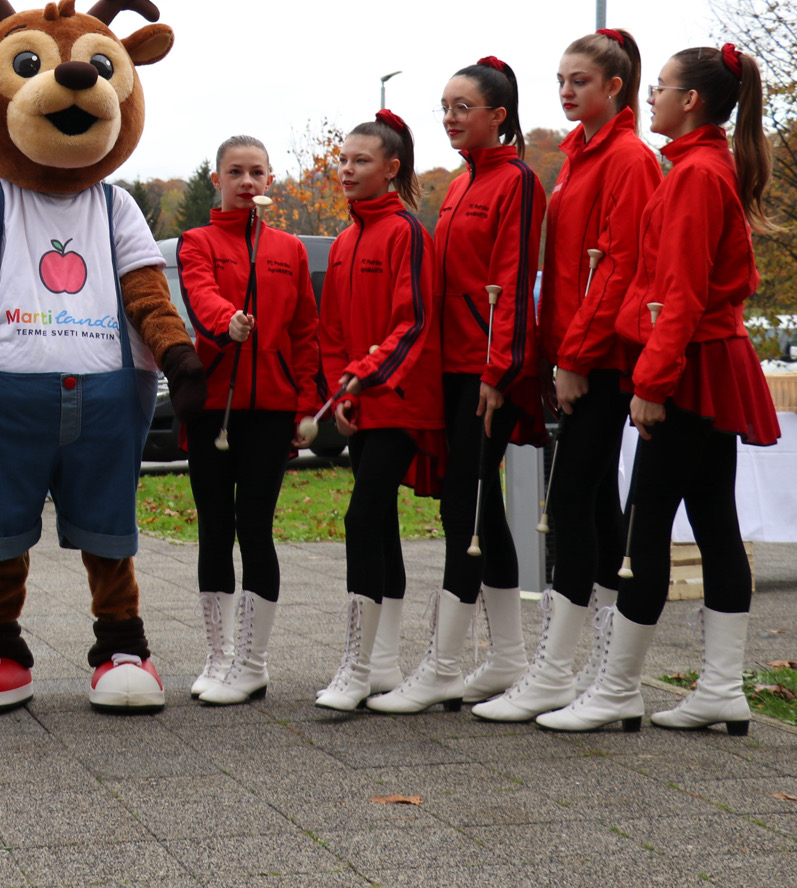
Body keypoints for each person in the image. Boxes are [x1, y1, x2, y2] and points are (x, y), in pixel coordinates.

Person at [539, 44, 781, 734]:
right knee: (713, 524)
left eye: (662, 89)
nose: (653, 98)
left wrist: (650, 381)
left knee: (646, 530)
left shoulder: (696, 175)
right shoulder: (700, 168)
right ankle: (720, 687)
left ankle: (619, 688)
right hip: (705, 361)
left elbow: (678, 292)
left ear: (692, 102)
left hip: (688, 367)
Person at [476, 31, 660, 723]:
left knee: (573, 502)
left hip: (601, 359)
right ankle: (613, 680)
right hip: (577, 354)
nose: (564, 90)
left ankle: (559, 672)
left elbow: (616, 264)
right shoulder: (580, 156)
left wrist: (576, 357)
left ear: (615, 86)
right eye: (560, 79)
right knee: (594, 510)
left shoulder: (629, 159)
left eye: (579, 80)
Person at [370, 59, 544, 714]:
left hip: (486, 371)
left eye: (463, 106)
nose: (449, 116)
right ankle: (506, 658)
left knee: (461, 511)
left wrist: (499, 372)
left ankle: (444, 665)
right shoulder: (461, 182)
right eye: (444, 105)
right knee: (482, 510)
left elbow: (512, 277)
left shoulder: (518, 182)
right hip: (451, 368)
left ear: (497, 116)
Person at [174, 136, 321, 705]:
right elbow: (199, 293)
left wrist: (305, 404)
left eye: (257, 172)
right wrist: (226, 322)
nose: (247, 182)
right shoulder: (198, 240)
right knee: (214, 527)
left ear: (270, 179)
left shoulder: (288, 249)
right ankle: (218, 656)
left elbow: (305, 333)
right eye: (235, 172)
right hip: (213, 404)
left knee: (255, 526)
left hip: (273, 408)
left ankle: (253, 663)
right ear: (217, 179)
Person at [312, 111, 445, 712]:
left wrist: (365, 378)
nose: (347, 169)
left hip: (402, 403)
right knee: (379, 524)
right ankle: (383, 663)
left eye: (360, 161)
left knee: (363, 519)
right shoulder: (342, 241)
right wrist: (342, 390)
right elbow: (333, 329)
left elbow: (413, 320)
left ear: (391, 169)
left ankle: (359, 664)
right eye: (343, 160)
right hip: (362, 404)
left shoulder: (406, 232)